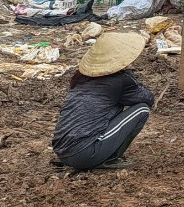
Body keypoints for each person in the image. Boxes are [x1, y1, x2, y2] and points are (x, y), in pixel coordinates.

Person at [51, 32, 154, 170]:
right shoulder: (119, 80)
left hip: (62, 150)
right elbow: (148, 98)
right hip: (84, 153)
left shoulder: (82, 78)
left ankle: (96, 155)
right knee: (142, 109)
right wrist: (130, 76)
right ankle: (109, 159)